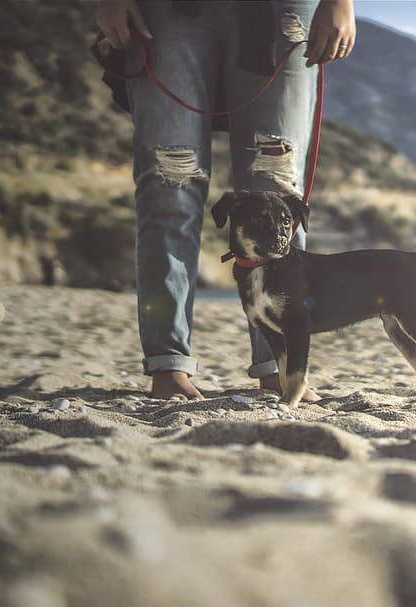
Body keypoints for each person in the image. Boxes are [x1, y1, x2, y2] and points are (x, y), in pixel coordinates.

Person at [96, 0, 356, 401]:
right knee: (169, 186)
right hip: (162, 11)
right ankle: (168, 365)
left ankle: (281, 370)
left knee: (278, 190)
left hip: (282, 9)